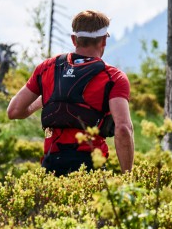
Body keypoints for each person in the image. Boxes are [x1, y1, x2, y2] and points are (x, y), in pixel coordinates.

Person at [8, 10, 134, 175]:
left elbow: (14, 111)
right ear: (104, 40)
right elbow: (123, 129)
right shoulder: (113, 77)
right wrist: (128, 177)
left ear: (74, 39)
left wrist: (43, 100)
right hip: (90, 169)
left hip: (51, 166)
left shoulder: (47, 67)